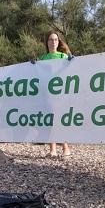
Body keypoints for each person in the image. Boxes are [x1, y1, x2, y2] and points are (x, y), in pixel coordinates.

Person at [33, 30, 75, 158]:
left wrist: (72, 60)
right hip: (47, 95)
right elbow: (38, 74)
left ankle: (65, 147)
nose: (53, 42)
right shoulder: (43, 58)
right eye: (51, 40)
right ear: (47, 42)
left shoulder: (63, 56)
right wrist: (33, 65)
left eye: (56, 39)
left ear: (59, 41)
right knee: (49, 121)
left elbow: (71, 70)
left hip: (60, 94)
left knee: (60, 120)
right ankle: (52, 149)